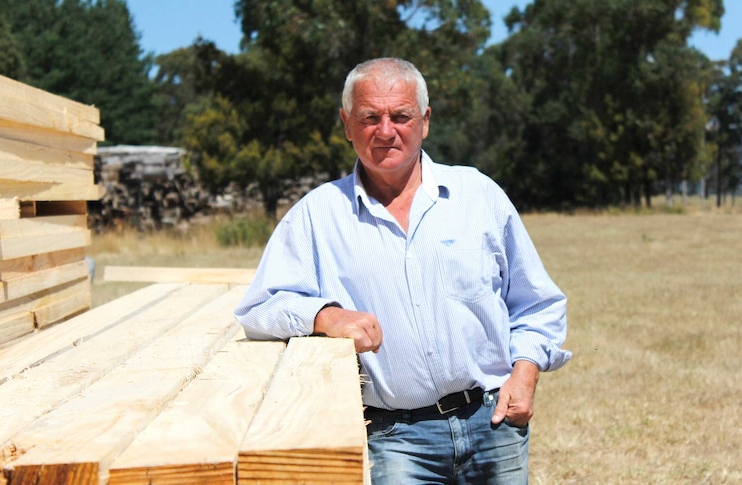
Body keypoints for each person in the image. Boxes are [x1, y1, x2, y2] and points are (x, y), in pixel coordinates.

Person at [234, 57, 571, 484]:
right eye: (370, 117)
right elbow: (259, 308)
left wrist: (525, 374)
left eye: (401, 116)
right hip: (394, 440)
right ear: (346, 124)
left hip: (494, 423)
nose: (386, 130)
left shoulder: (478, 196)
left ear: (425, 121)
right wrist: (326, 316)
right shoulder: (316, 217)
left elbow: (537, 304)